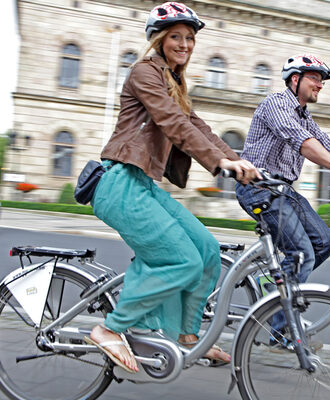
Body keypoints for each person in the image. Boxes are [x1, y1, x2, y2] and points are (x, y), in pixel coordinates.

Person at [84, 2, 260, 373]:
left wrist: (238, 160)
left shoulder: (175, 82)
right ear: (160, 40)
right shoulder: (144, 74)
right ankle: (109, 328)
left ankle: (187, 337)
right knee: (180, 260)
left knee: (207, 251)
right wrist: (219, 163)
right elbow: (173, 123)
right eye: (176, 37)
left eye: (190, 38)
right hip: (120, 183)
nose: (184, 44)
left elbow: (199, 128)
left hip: (142, 185)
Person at [235, 54, 330, 349]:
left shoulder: (304, 115)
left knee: (324, 244)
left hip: (283, 190)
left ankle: (275, 285)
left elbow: (329, 145)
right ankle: (281, 330)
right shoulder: (276, 104)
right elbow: (301, 141)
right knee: (302, 253)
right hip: (259, 188)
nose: (320, 85)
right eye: (314, 78)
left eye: (322, 80)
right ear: (295, 79)